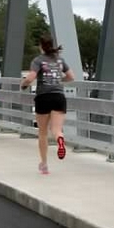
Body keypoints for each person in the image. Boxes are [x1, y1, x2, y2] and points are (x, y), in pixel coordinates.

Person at [20, 34, 75, 175]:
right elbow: (71, 76)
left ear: (41, 46)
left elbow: (31, 77)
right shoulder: (60, 60)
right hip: (58, 97)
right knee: (56, 129)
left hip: (43, 97)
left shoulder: (38, 60)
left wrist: (24, 84)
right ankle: (60, 139)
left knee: (43, 132)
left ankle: (44, 165)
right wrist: (59, 80)